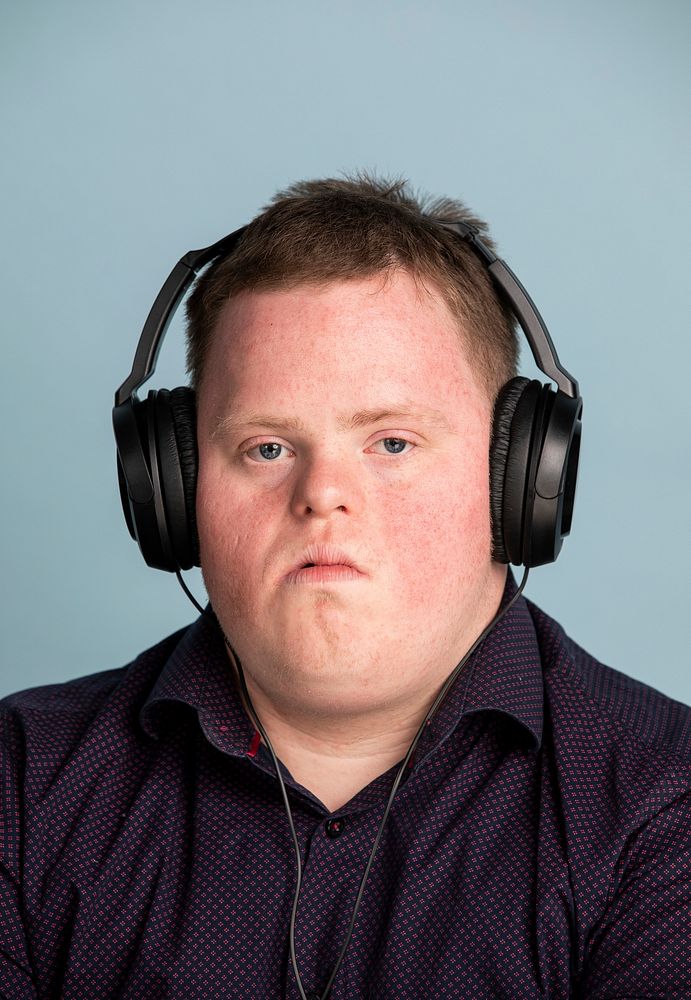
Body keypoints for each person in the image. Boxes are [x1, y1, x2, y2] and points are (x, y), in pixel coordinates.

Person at [1, 176, 689, 1000]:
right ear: (172, 493)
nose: (322, 495)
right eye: (265, 448)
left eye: (391, 443)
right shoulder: (20, 784)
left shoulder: (665, 805)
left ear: (520, 478)